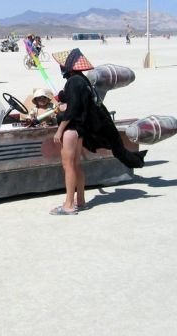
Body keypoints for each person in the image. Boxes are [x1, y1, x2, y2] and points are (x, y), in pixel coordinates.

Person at [50, 48, 146, 216]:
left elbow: (72, 110)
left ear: (68, 67)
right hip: (80, 130)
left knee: (69, 166)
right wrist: (62, 97)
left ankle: (69, 205)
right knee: (76, 165)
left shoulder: (73, 82)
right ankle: (81, 201)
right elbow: (76, 99)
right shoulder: (82, 80)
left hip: (71, 129)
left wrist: (59, 130)